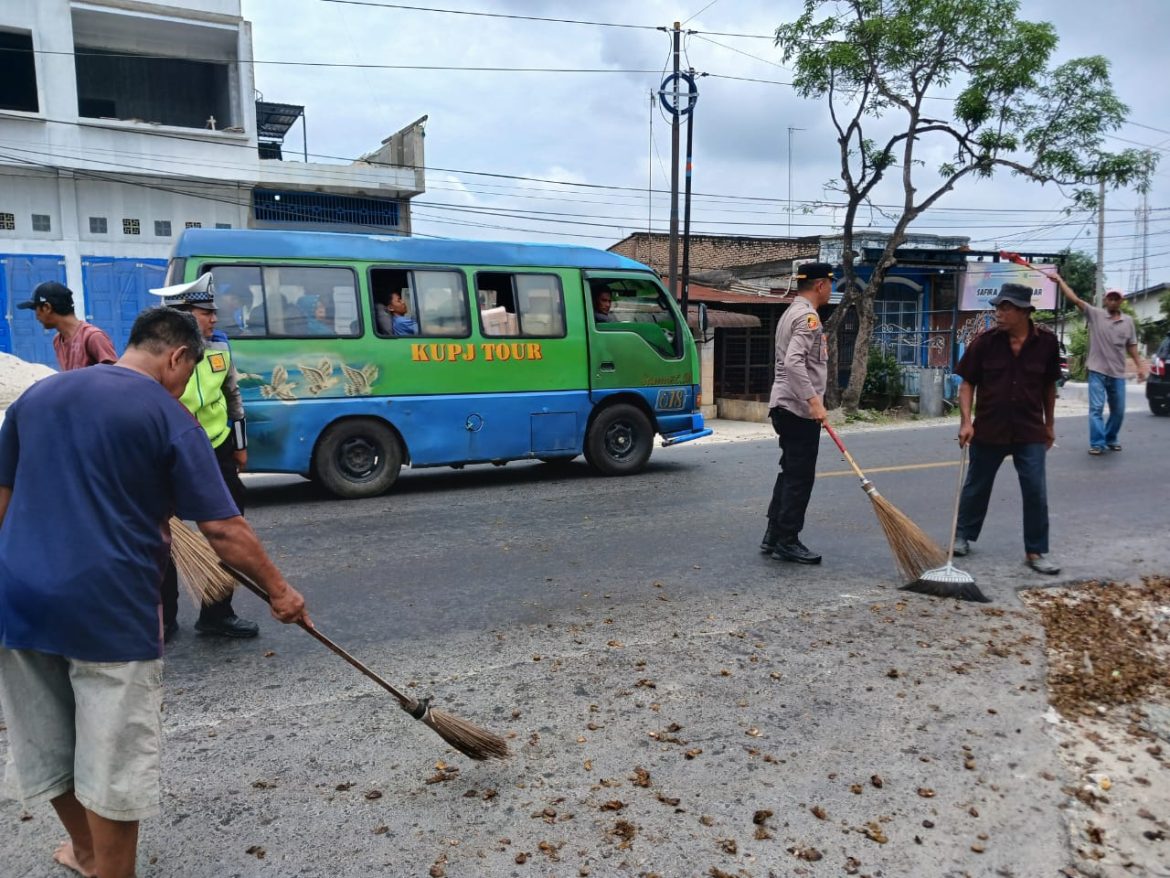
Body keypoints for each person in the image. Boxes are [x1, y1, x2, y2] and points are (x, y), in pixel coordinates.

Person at [0, 306, 310, 878]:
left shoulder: (37, 400)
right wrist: (280, 592)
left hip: (18, 599)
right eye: (190, 371)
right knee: (112, 756)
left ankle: (87, 853)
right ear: (177, 357)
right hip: (109, 606)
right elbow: (221, 528)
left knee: (47, 742)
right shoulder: (166, 415)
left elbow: (2, 501)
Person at [150, 274, 259, 640]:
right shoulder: (158, 355)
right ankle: (164, 619)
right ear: (181, 315)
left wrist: (239, 444)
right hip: (172, 454)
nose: (214, 319)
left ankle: (217, 613)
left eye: (214, 312)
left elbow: (233, 399)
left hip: (217, 448)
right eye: (205, 312)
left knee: (228, 532)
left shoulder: (221, 347)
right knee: (164, 536)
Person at [952, 282, 1062, 575]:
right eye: (998, 307)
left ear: (1025, 311)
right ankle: (962, 536)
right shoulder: (984, 342)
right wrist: (965, 421)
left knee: (1036, 490)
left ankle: (1036, 551)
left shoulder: (1047, 344)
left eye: (1006, 308)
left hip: (1029, 429)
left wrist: (1049, 424)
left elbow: (1049, 386)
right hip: (989, 427)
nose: (999, 313)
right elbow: (966, 384)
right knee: (977, 485)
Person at [761, 262, 834, 565]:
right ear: (820, 285)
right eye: (830, 283)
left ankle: (774, 533)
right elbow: (794, 363)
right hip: (798, 408)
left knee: (790, 471)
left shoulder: (791, 312)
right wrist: (814, 401)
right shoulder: (807, 317)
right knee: (800, 476)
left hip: (785, 405)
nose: (832, 289)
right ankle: (787, 539)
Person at [1047, 273, 1146, 454]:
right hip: (1097, 371)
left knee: (1119, 410)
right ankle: (1097, 443)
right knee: (1096, 409)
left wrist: (1140, 366)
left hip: (1117, 373)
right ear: (1106, 300)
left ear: (1121, 301)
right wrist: (1061, 281)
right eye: (1110, 298)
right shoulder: (1095, 314)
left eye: (1117, 298)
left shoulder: (1128, 322)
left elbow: (1132, 345)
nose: (1113, 301)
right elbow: (1075, 299)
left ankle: (1110, 437)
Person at [17, 281, 117, 370]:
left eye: (36, 309)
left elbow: (115, 377)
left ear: (47, 307)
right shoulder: (57, 340)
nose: (36, 317)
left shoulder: (93, 337)